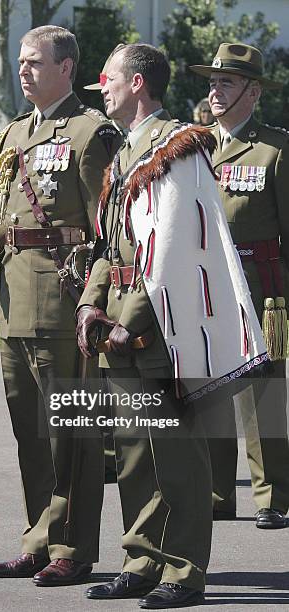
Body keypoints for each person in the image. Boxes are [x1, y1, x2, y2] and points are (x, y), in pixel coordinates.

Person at [76, 43, 267, 609]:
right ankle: (140, 560)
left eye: (107, 79)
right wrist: (92, 304)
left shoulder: (177, 146)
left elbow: (174, 248)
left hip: (164, 329)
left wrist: (123, 320)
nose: (101, 88)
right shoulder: (127, 152)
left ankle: (184, 571)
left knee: (177, 454)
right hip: (119, 321)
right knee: (135, 453)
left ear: (137, 83)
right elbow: (109, 246)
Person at [0, 25, 122, 585]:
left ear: (67, 67)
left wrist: (95, 301)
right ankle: (38, 539)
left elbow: (111, 230)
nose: (23, 70)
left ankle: (71, 549)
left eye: (34, 62)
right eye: (21, 62)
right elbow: (9, 211)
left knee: (71, 434)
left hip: (63, 303)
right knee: (30, 432)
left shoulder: (90, 132)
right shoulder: (16, 132)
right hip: (13, 303)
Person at [190, 42, 289, 528]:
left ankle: (271, 497)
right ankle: (216, 491)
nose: (214, 90)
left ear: (252, 91)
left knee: (261, 397)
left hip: (259, 284)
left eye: (225, 82)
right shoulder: (194, 145)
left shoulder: (275, 148)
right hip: (208, 286)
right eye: (212, 82)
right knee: (210, 389)